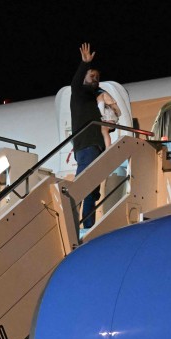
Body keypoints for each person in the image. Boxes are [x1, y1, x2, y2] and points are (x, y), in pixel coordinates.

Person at [71, 42, 106, 229]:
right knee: (84, 184)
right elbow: (75, 83)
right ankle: (73, 221)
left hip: (95, 146)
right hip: (86, 146)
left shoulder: (92, 101)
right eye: (92, 76)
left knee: (93, 187)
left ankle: (88, 224)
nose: (95, 79)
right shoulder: (78, 93)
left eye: (97, 77)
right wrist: (84, 64)